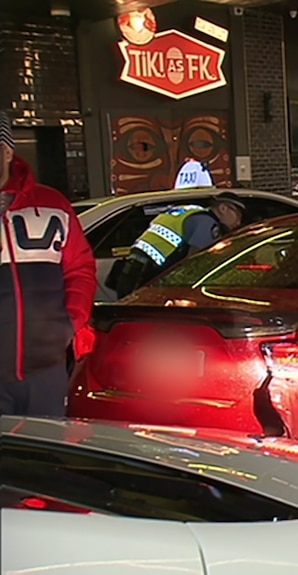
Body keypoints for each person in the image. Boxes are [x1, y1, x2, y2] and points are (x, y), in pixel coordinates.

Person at [0, 111, 97, 416]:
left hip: (46, 372)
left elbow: (80, 270)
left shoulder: (52, 204)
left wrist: (70, 323)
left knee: (44, 458)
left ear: (5, 152)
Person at [111, 192, 246, 298]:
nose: (238, 222)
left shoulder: (187, 211)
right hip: (151, 276)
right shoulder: (207, 223)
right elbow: (197, 261)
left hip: (131, 269)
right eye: (237, 215)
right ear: (223, 208)